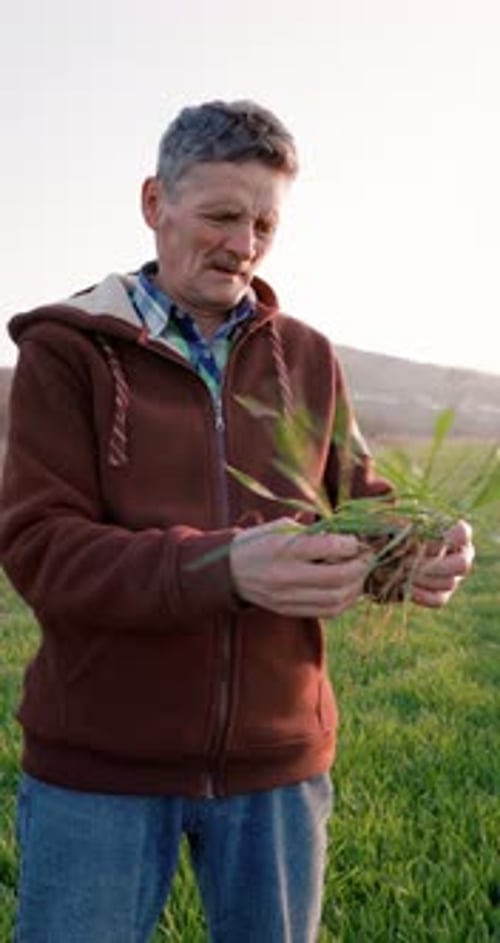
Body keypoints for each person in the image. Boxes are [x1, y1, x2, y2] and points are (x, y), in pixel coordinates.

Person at [0, 100, 474, 943]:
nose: (243, 244)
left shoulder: (308, 355)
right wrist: (220, 568)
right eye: (221, 215)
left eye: (264, 223)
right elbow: (41, 550)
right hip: (99, 767)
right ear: (155, 203)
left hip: (277, 770)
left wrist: (415, 553)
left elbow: (358, 507)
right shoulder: (66, 353)